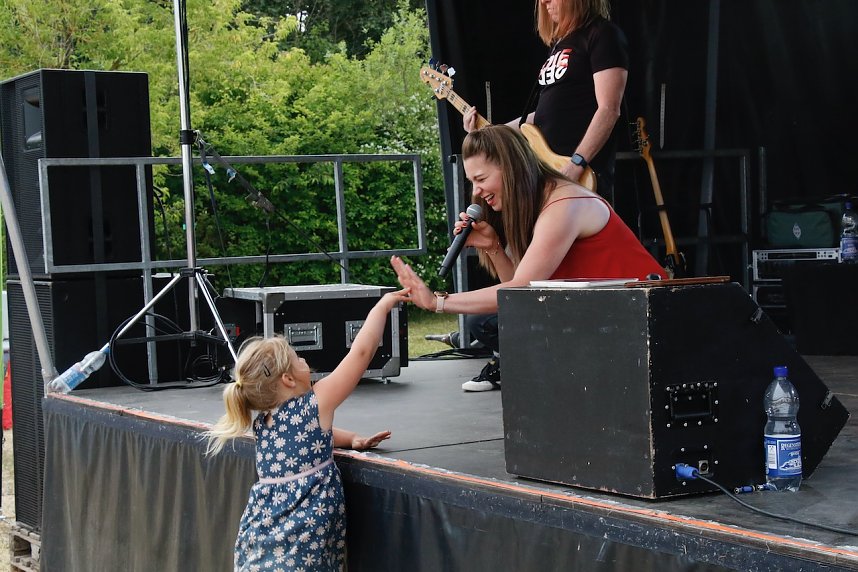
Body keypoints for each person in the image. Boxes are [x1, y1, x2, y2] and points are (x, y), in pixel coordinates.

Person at [392, 125, 664, 391]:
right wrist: (493, 246)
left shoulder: (564, 205)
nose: (476, 192)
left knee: (488, 321)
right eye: (473, 182)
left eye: (481, 179)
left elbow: (520, 288)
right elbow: (523, 298)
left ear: (510, 168)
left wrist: (437, 302)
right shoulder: (541, 203)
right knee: (488, 321)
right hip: (603, 313)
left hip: (647, 316)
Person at [206, 287, 409, 571]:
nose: (305, 360)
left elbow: (311, 439)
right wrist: (382, 307)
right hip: (299, 554)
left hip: (261, 546)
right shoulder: (315, 403)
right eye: (297, 357)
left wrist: (352, 439)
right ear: (288, 378)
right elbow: (362, 352)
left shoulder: (264, 425)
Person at [464, 0, 628, 202]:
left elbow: (609, 109)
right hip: (548, 174)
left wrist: (577, 164)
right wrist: (491, 131)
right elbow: (544, 114)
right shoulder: (559, 44)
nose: (543, 2)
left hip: (581, 174)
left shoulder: (602, 34)